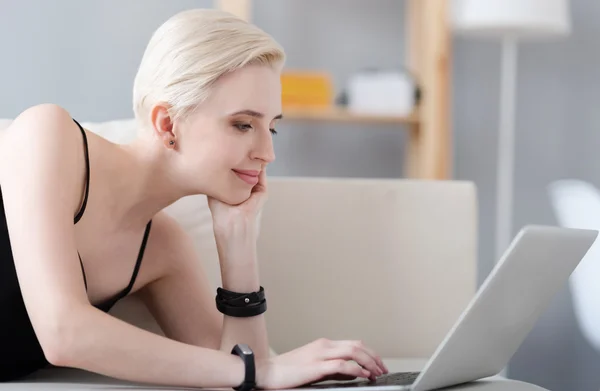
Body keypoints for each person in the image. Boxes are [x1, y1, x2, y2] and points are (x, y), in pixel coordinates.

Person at [0, 8, 389, 390]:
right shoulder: (47, 135)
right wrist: (260, 371)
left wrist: (238, 242)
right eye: (243, 124)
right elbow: (63, 333)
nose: (267, 153)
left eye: (272, 128)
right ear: (167, 124)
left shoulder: (161, 248)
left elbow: (235, 374)